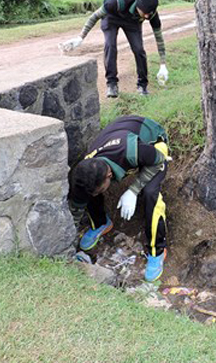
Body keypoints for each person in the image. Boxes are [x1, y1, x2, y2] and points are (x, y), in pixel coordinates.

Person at [68, 115, 170, 282]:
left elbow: (158, 160)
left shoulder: (132, 151)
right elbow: (76, 208)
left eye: (99, 190)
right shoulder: (85, 169)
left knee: (150, 193)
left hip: (151, 141)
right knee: (88, 191)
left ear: (109, 175)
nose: (95, 195)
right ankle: (101, 223)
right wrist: (69, 244)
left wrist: (133, 190)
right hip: (120, 130)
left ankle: (157, 251)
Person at [61, 0, 169, 97]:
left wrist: (163, 64)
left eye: (149, 14)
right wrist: (80, 37)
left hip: (132, 22)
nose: (147, 16)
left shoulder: (151, 13)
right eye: (145, 13)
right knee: (110, 45)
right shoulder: (116, 1)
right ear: (138, 6)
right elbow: (95, 16)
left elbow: (159, 37)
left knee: (139, 49)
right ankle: (112, 84)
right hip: (111, 17)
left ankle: (142, 85)